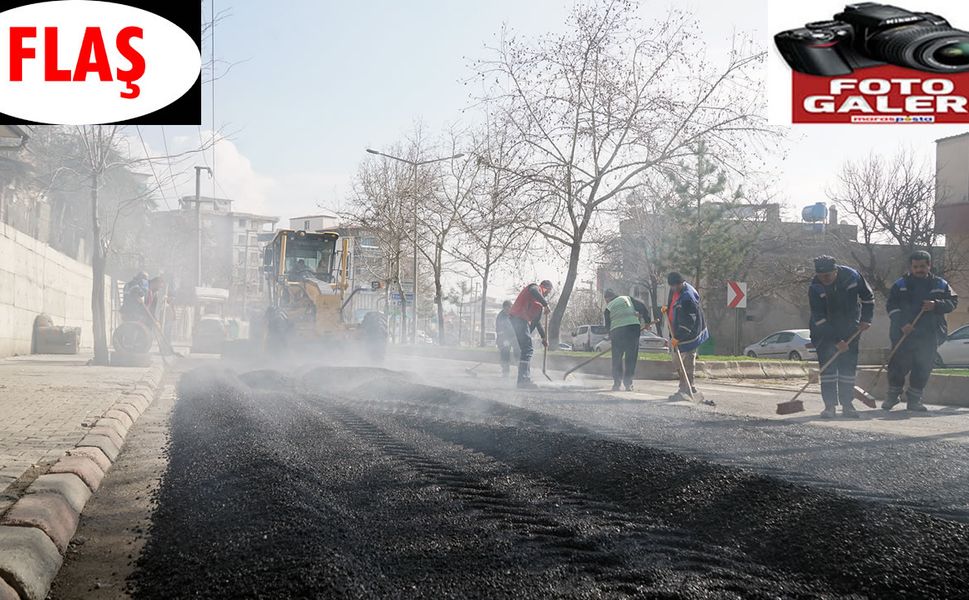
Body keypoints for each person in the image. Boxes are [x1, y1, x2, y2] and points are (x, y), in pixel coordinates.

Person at [884, 251, 958, 412]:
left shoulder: (941, 284)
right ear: (911, 267)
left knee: (922, 367)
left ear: (929, 266)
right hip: (903, 333)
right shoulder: (900, 285)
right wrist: (903, 324)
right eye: (916, 267)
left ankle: (914, 400)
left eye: (922, 266)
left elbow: (953, 302)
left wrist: (936, 304)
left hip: (929, 334)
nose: (919, 270)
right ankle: (892, 396)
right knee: (897, 366)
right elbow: (891, 307)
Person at [808, 255, 874, 419]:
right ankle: (829, 406)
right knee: (828, 370)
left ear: (835, 271)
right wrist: (836, 341)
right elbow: (819, 319)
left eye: (828, 276)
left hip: (851, 328)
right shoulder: (815, 287)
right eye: (821, 276)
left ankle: (847, 404)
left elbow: (868, 298)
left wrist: (866, 319)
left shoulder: (853, 276)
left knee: (847, 369)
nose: (825, 279)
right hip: (824, 332)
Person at [665, 272, 710, 403]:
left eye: (676, 286)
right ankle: (683, 387)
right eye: (672, 286)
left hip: (690, 333)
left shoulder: (687, 297)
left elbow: (689, 321)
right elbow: (671, 304)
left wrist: (678, 337)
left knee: (688, 360)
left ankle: (690, 388)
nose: (674, 289)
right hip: (677, 331)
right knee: (677, 361)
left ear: (681, 283)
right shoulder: (673, 290)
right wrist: (666, 310)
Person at [508, 280, 553, 389]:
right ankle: (523, 380)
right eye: (548, 292)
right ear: (546, 288)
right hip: (518, 319)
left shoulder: (537, 304)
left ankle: (523, 379)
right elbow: (533, 291)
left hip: (519, 320)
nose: (547, 294)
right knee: (527, 349)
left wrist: (543, 337)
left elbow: (536, 322)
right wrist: (546, 304)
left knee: (526, 349)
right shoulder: (535, 288)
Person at [603, 289, 650, 391]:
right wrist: (647, 321)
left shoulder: (608, 307)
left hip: (617, 331)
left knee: (617, 359)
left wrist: (610, 335)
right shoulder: (627, 298)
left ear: (608, 299)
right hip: (633, 329)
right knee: (631, 357)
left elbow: (607, 325)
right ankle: (628, 384)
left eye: (606, 300)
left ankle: (617, 384)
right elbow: (642, 307)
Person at [495, 300, 517, 377]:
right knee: (505, 353)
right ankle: (505, 371)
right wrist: (504, 340)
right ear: (504, 308)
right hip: (504, 338)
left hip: (514, 336)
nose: (508, 311)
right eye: (507, 309)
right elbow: (499, 330)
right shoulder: (500, 316)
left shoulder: (514, 314)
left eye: (510, 308)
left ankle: (521, 370)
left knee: (518, 352)